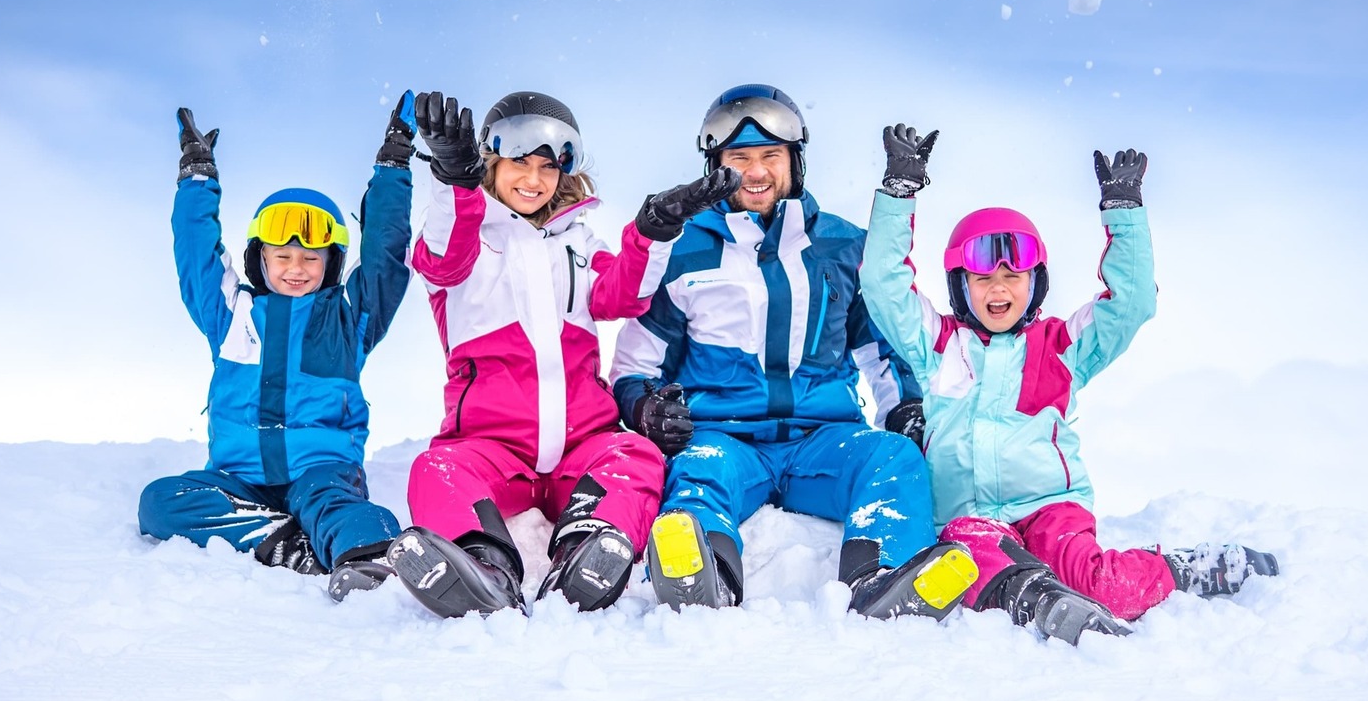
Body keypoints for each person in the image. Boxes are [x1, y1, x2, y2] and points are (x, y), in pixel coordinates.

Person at [860, 122, 1279, 644]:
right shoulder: (940, 345)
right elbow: (883, 285)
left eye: (1013, 277)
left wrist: (1124, 215)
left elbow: (1130, 305)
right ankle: (1037, 598)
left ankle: (1181, 570)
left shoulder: (1060, 346)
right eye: (983, 278)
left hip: (1050, 509)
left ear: (1035, 283)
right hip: (969, 516)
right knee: (967, 556)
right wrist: (899, 193)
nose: (998, 288)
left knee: (1104, 585)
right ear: (960, 286)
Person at [610, 84, 979, 620]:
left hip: (823, 439)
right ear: (715, 167)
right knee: (698, 475)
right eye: (739, 159)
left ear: (795, 161)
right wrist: (647, 408)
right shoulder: (681, 252)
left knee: (893, 458)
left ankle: (882, 578)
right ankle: (703, 574)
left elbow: (881, 351)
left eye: (770, 156)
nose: (756, 171)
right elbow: (635, 366)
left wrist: (905, 409)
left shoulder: (843, 247)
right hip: (724, 438)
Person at [386, 89, 734, 618]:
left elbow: (623, 295)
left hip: (582, 444)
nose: (534, 178)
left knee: (636, 456)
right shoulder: (466, 238)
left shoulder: (578, 241)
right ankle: (482, 563)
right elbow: (442, 258)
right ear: (491, 162)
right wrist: (454, 179)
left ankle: (588, 550)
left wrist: (655, 229)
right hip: (490, 447)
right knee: (436, 470)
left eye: (548, 167)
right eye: (519, 163)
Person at [138, 97, 415, 600]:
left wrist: (392, 168)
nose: (296, 268)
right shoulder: (232, 315)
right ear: (259, 258)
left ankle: (370, 559)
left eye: (311, 257)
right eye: (282, 255)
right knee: (161, 502)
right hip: (239, 481)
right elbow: (196, 256)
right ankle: (286, 543)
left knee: (345, 511)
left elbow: (385, 255)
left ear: (331, 262)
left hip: (321, 473)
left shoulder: (349, 318)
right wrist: (197, 179)